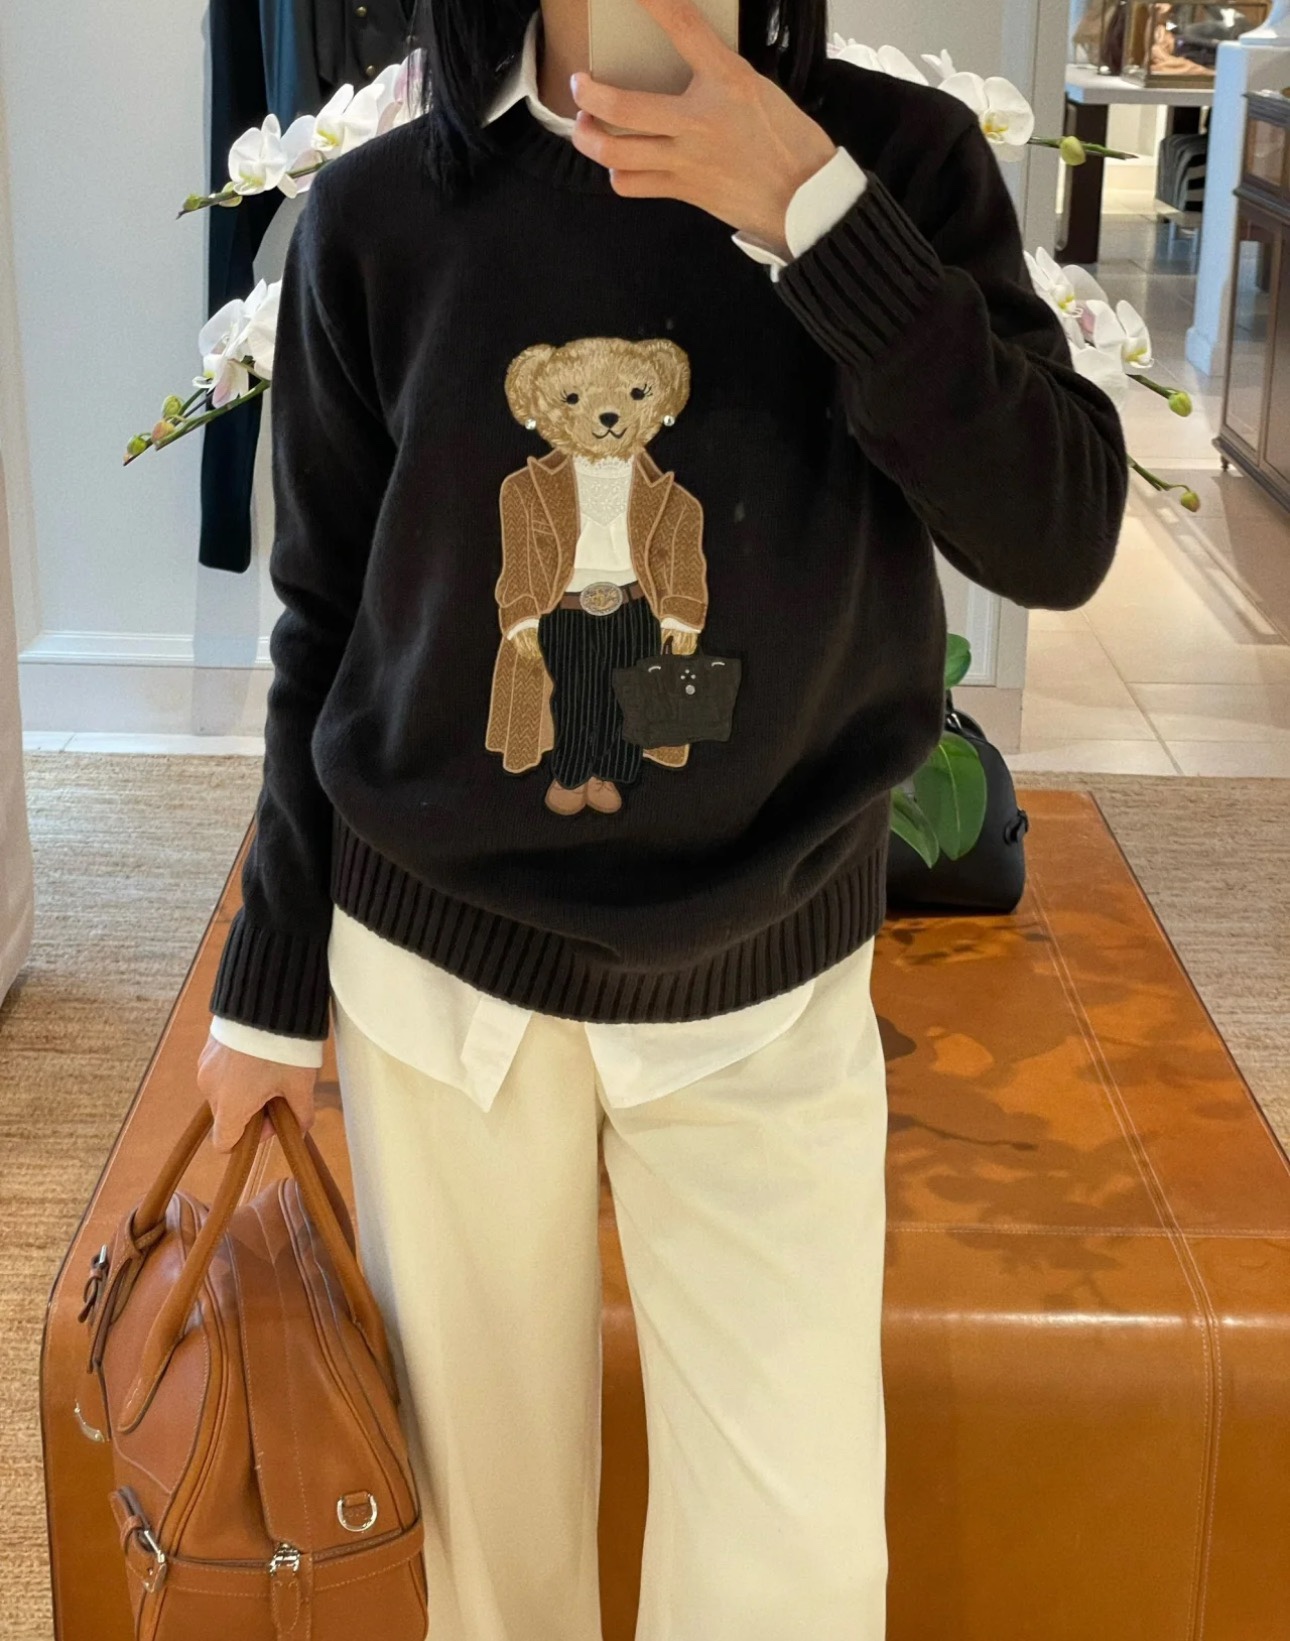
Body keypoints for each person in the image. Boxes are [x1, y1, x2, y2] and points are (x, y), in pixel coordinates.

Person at [196, 1, 1130, 1636]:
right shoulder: (378, 212)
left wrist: (814, 213)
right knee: (487, 1574)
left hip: (765, 978)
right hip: (441, 983)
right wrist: (266, 992)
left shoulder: (897, 168)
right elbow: (326, 622)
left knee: (792, 1569)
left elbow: (1056, 532)